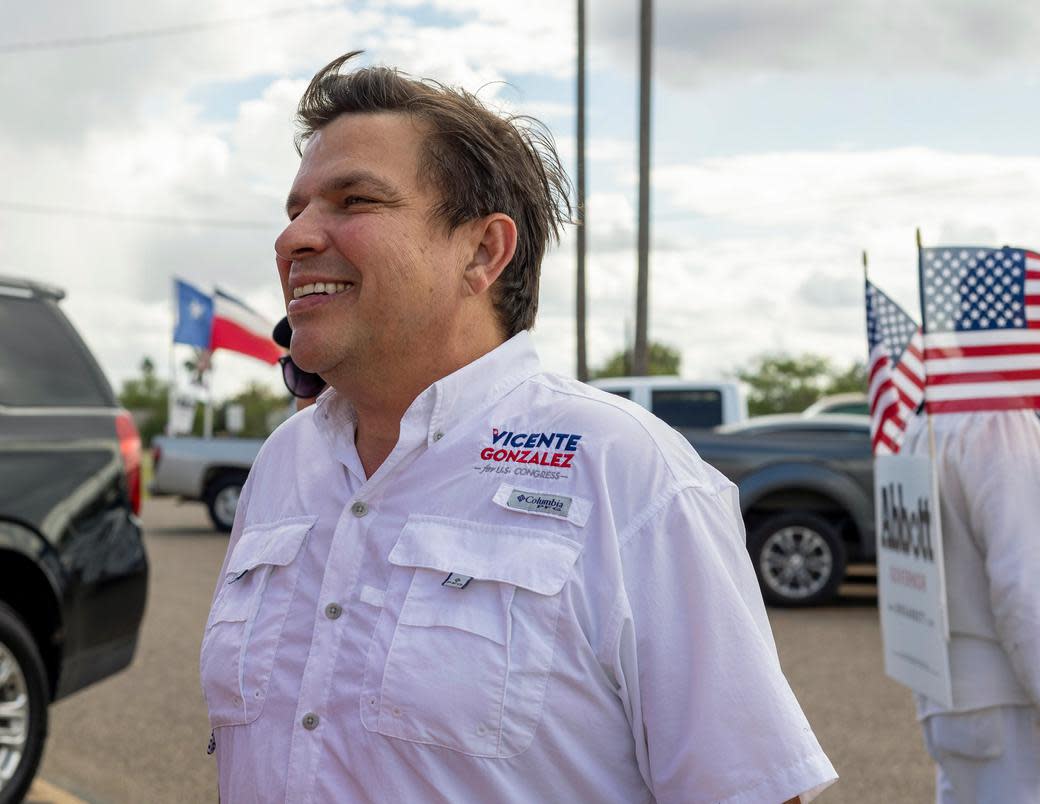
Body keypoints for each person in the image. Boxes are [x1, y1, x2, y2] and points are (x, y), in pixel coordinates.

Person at [200, 51, 836, 803]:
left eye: (353, 201)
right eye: (295, 209)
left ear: (483, 250)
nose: (295, 238)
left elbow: (750, 790)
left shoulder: (628, 471)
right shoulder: (283, 464)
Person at [902, 409, 1040, 804]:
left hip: (955, 694)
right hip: (1016, 707)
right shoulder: (1000, 423)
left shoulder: (928, 416)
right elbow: (1022, 576)